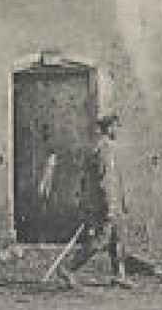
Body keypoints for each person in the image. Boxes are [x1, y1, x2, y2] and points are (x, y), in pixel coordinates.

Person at [56, 113, 133, 288]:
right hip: (106, 204)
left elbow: (116, 180)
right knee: (101, 239)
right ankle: (68, 268)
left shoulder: (109, 149)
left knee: (117, 238)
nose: (118, 130)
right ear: (109, 128)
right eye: (116, 127)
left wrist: (122, 202)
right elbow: (104, 181)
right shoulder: (104, 150)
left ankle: (119, 275)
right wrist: (110, 206)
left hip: (115, 202)